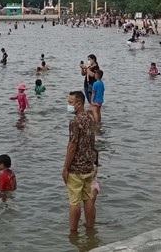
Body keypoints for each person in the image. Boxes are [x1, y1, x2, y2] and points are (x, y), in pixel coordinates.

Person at [62, 91, 97, 234]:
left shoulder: (75, 122)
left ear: (79, 103)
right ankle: (90, 229)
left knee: (74, 201)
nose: (68, 105)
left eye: (71, 102)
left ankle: (73, 232)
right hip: (89, 165)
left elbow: (72, 146)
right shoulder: (89, 118)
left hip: (76, 168)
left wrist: (65, 168)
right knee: (88, 199)